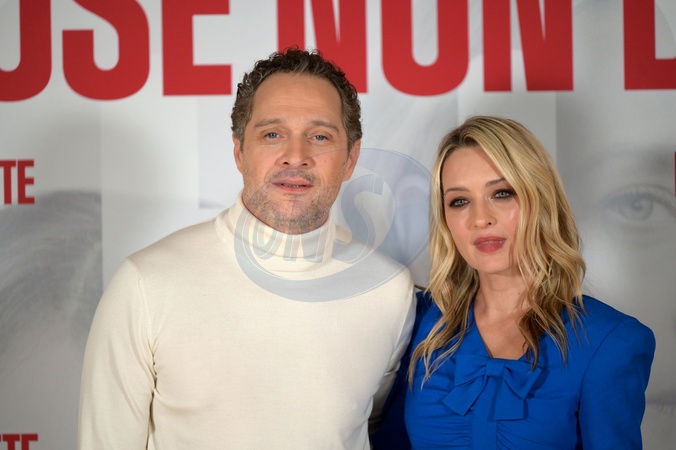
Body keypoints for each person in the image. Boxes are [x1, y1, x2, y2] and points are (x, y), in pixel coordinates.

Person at [78, 48, 416, 449]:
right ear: (240, 152)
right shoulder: (145, 284)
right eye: (272, 134)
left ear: (350, 159)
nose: (296, 156)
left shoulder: (389, 289)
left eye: (320, 137)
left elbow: (370, 426)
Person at [373, 116, 655, 449]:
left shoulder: (611, 342)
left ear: (541, 199)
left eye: (502, 193)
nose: (480, 219)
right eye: (460, 201)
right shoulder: (419, 322)